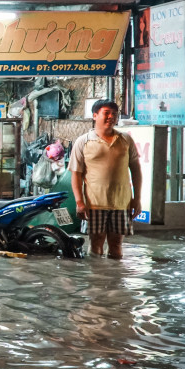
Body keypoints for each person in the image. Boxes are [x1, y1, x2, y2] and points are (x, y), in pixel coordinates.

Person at [69, 99, 142, 259]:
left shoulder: (125, 140)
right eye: (106, 113)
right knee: (96, 243)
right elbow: (76, 174)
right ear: (95, 115)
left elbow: (136, 170)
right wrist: (80, 202)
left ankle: (115, 280)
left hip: (121, 202)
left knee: (117, 244)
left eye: (114, 114)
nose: (111, 117)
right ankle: (97, 280)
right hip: (94, 203)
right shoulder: (84, 141)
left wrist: (137, 199)